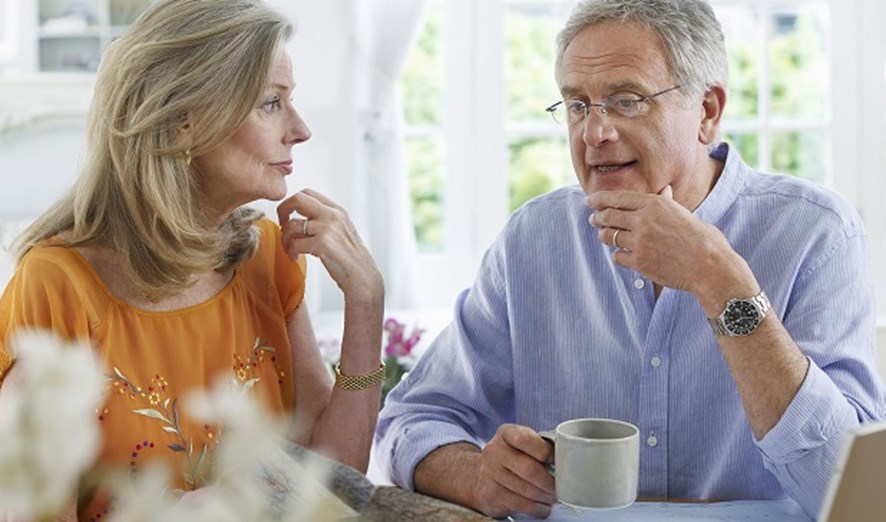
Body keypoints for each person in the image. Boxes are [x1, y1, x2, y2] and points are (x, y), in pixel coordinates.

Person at [374, 0, 886, 519]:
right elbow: (412, 420)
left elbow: (855, 491)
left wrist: (721, 282)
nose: (594, 134)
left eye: (626, 101)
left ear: (707, 111)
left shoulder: (817, 234)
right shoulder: (534, 239)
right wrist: (477, 474)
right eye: (577, 105)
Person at [0, 0, 384, 519]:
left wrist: (366, 305)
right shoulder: (58, 286)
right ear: (184, 121)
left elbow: (328, 480)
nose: (300, 128)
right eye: (271, 103)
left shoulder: (268, 256)